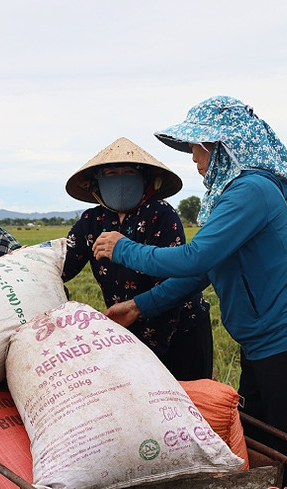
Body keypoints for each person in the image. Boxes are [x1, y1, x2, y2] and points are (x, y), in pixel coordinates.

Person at [92, 96, 287, 489]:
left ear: (223, 147)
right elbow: (205, 269)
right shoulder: (233, 196)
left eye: (198, 150)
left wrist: (123, 248)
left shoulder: (252, 191)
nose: (196, 162)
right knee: (264, 447)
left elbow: (195, 255)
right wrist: (140, 306)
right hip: (262, 344)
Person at [63, 137, 213, 380]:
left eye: (128, 172)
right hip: (125, 330)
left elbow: (171, 282)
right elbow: (63, 264)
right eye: (111, 173)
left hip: (181, 330)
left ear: (144, 180)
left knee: (190, 402)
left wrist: (150, 342)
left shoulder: (161, 214)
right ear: (97, 184)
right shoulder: (91, 221)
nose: (120, 179)